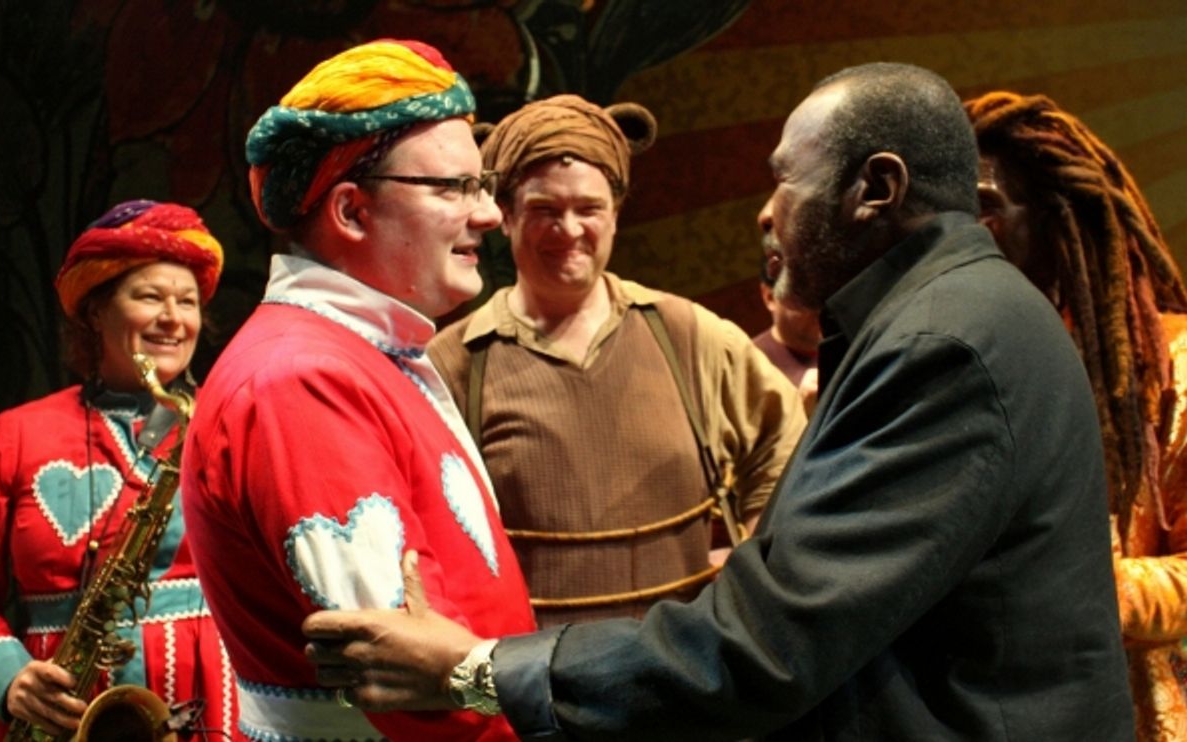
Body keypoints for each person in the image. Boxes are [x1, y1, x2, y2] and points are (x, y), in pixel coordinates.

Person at [299, 62, 1137, 740]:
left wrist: (475, 669)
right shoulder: (946, 318)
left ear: (876, 188)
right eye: (541, 210)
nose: (768, 215)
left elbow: (765, 645)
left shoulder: (938, 345)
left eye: (786, 182)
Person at [178, 39, 535, 741]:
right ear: (349, 212)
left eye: (481, 183)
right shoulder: (301, 382)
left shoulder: (356, 354)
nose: (490, 214)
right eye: (453, 188)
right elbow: (415, 689)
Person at [426, 93, 806, 627]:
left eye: (589, 208)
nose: (570, 230)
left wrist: (755, 576)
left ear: (616, 212)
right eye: (544, 210)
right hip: (533, 690)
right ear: (504, 215)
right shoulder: (456, 365)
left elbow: (786, 453)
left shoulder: (688, 336)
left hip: (686, 680)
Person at [965, 90, 1187, 742]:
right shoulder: (957, 366)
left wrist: (1077, 584)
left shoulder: (1171, 367)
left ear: (1063, 216)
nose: (961, 236)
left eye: (985, 210)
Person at [0, 200, 238, 739]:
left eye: (188, 302)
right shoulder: (15, 434)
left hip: (213, 711)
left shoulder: (234, 426)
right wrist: (5, 678)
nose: (174, 318)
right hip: (58, 716)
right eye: (150, 296)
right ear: (95, 311)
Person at [752, 248, 821, 415]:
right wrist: (802, 416)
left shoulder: (850, 338)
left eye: (822, 291)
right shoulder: (751, 362)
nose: (818, 306)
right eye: (802, 295)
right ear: (769, 297)